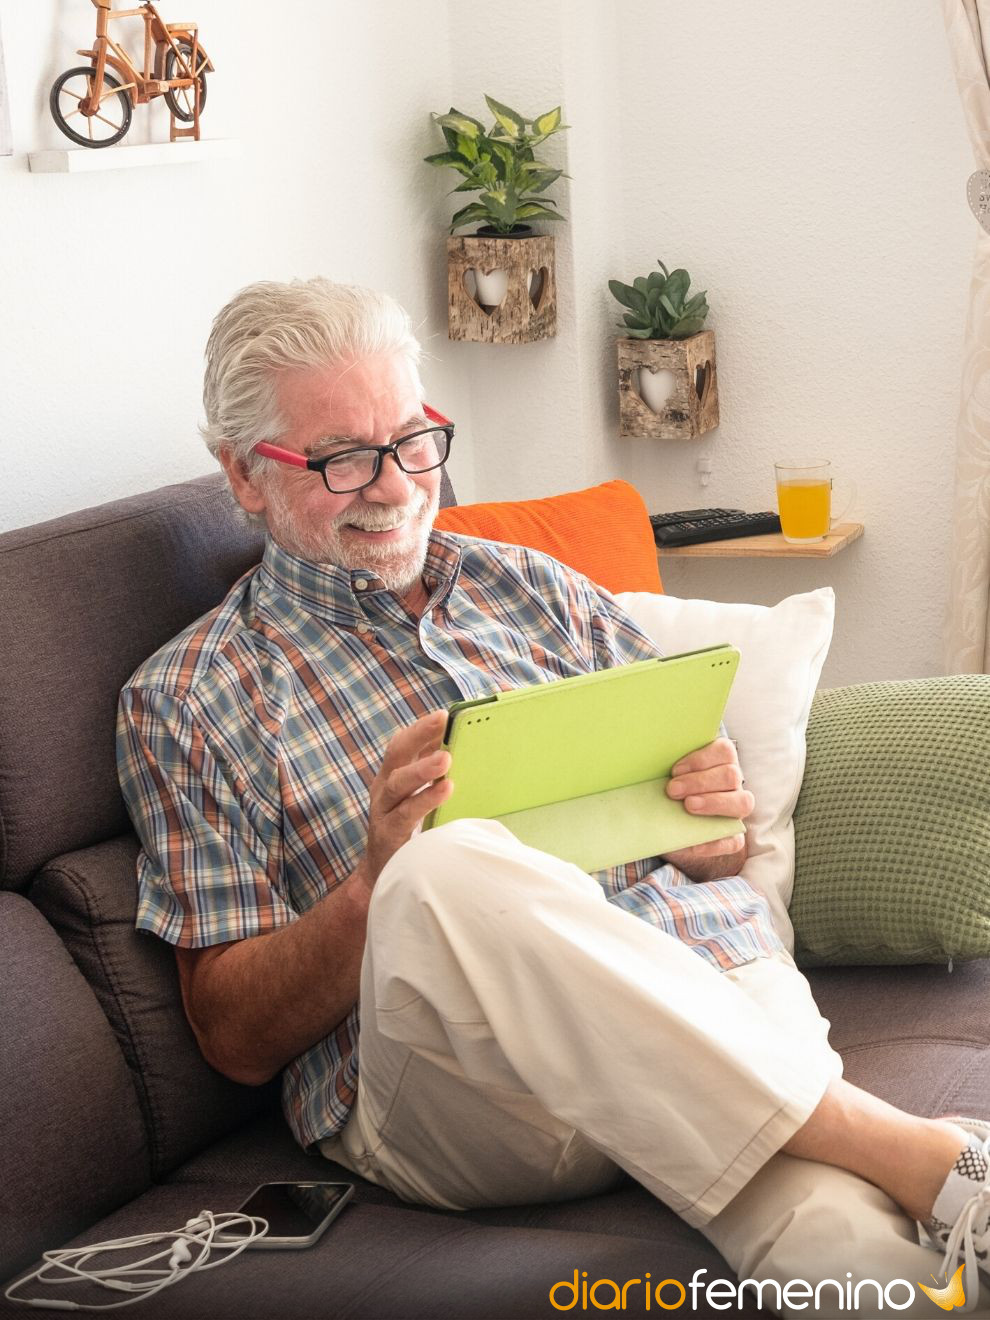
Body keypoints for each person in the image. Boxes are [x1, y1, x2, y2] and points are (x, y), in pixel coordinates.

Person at [117, 277, 990, 1318]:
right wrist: (373, 886)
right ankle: (908, 1144)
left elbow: (707, 840)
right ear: (245, 477)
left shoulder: (534, 589)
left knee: (848, 1250)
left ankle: (928, 1190)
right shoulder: (190, 697)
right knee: (443, 862)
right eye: (343, 459)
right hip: (469, 1094)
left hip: (704, 984)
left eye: (412, 441)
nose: (395, 485)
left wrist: (713, 819)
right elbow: (233, 1036)